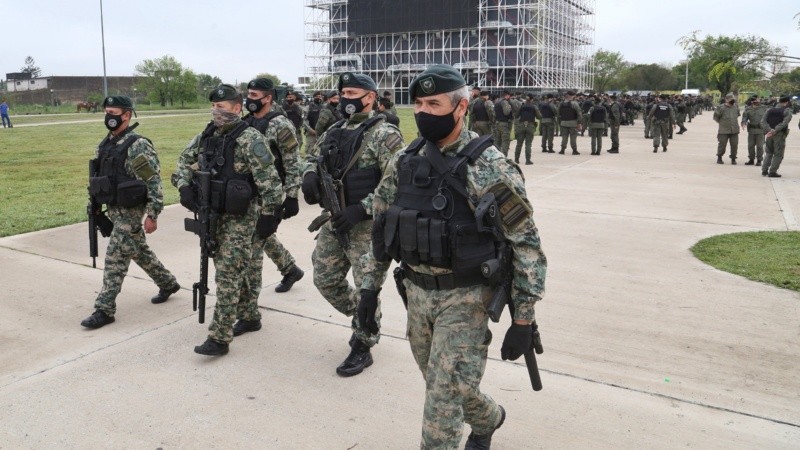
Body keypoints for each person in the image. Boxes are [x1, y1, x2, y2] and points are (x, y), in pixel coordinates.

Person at [358, 64, 547, 449]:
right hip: (416, 293)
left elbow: (525, 245)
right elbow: (381, 227)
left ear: (462, 107)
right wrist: (367, 289)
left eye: (435, 103)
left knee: (441, 402)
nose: (424, 111)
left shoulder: (490, 166)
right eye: (419, 103)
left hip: (467, 297)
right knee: (444, 383)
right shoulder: (404, 161)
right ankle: (489, 417)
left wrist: (523, 319)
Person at [301, 72, 405, 376]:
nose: (347, 98)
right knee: (325, 278)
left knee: (366, 287)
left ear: (370, 97)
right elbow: (313, 156)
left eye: (353, 92)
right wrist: (308, 174)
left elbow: (398, 181)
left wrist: (362, 209)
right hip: (334, 218)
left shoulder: (386, 134)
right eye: (344, 92)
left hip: (366, 225)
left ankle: (364, 340)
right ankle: (363, 316)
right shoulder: (334, 129)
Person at [173, 84, 284, 355]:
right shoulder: (206, 135)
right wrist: (184, 186)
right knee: (234, 267)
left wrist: (270, 215)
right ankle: (250, 315)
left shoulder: (250, 138)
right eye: (213, 106)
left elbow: (270, 181)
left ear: (237, 108)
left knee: (227, 273)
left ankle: (219, 337)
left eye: (222, 107)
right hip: (213, 214)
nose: (216, 111)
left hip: (242, 216)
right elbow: (182, 164)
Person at [81, 96, 179, 329]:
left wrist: (153, 214)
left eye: (113, 112)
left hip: (131, 211)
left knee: (116, 256)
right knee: (137, 250)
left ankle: (104, 308)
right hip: (113, 207)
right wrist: (95, 204)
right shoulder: (105, 144)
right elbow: (98, 177)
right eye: (106, 111)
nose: (109, 117)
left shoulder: (138, 145)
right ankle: (168, 282)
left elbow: (153, 181)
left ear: (126, 115)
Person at [242, 78, 305, 297]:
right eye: (248, 94)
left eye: (254, 96)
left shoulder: (280, 124)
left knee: (254, 243)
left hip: (269, 193)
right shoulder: (247, 121)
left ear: (268, 98)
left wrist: (292, 195)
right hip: (247, 191)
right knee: (260, 234)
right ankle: (290, 269)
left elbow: (292, 160)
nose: (249, 100)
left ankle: (249, 308)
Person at [760, 96, 794, 177]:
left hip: (769, 134)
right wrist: (775, 130)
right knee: (778, 154)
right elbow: (784, 123)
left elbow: (762, 122)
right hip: (779, 135)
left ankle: (764, 170)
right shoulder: (787, 111)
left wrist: (769, 130)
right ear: (786, 102)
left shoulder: (769, 110)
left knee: (768, 152)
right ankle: (772, 171)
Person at [740, 96, 768, 166]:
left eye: (758, 100)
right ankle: (751, 159)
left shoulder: (764, 108)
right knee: (750, 146)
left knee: (760, 146)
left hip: (760, 130)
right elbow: (744, 117)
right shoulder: (748, 109)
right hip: (752, 130)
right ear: (752, 101)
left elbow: (768, 117)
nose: (757, 101)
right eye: (755, 100)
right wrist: (743, 123)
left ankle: (759, 160)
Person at [714, 93, 741, 164]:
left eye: (733, 99)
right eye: (731, 99)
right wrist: (723, 123)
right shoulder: (720, 107)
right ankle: (719, 157)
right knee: (722, 144)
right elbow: (716, 118)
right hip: (724, 130)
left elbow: (737, 115)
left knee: (734, 145)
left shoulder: (735, 107)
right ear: (726, 100)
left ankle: (733, 158)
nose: (732, 101)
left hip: (734, 129)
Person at [513, 93, 540, 164]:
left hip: (521, 125)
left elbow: (516, 115)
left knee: (519, 144)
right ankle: (528, 160)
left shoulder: (521, 106)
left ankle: (516, 159)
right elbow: (539, 117)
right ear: (532, 99)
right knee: (528, 144)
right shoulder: (534, 107)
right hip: (530, 125)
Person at [558, 90, 582, 155]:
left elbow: (559, 113)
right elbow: (579, 114)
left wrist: (560, 122)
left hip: (563, 123)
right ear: (572, 96)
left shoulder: (561, 103)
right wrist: (579, 123)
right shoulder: (575, 103)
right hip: (573, 123)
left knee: (564, 137)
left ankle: (562, 150)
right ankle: (574, 150)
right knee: (573, 137)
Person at [494, 90, 514, 157]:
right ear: (507, 95)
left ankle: (497, 156)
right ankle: (504, 156)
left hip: (497, 123)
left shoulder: (497, 102)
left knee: (497, 141)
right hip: (504, 124)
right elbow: (506, 112)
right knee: (505, 141)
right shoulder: (504, 102)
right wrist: (509, 108)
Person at [304, 91, 325, 155]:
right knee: (310, 151)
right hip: (311, 133)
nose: (319, 98)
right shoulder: (308, 107)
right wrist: (310, 130)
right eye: (317, 96)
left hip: (322, 133)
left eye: (320, 96)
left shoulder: (325, 107)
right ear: (313, 97)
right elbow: (304, 120)